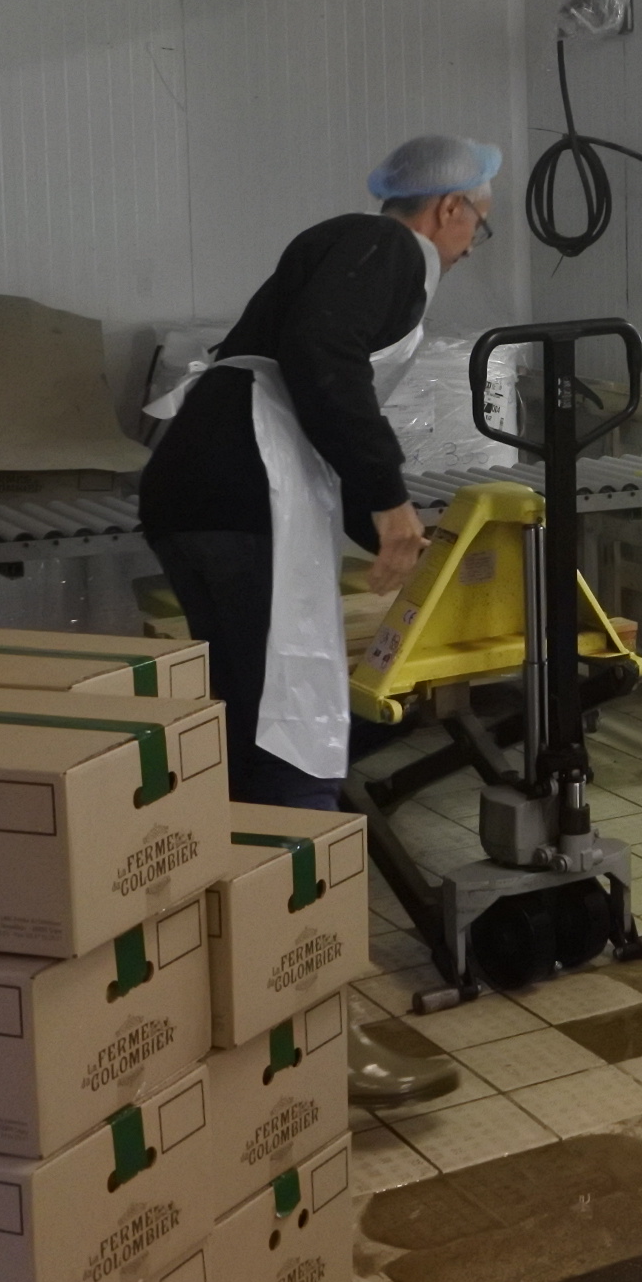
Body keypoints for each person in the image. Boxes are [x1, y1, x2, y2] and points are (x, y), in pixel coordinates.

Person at [139, 135, 499, 809]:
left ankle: (245, 872)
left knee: (245, 706)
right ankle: (296, 876)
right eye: (480, 223)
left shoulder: (358, 253)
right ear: (450, 207)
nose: (474, 245)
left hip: (196, 490)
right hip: (242, 488)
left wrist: (389, 532)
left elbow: (327, 396)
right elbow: (324, 357)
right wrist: (390, 501)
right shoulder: (385, 245)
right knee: (281, 709)